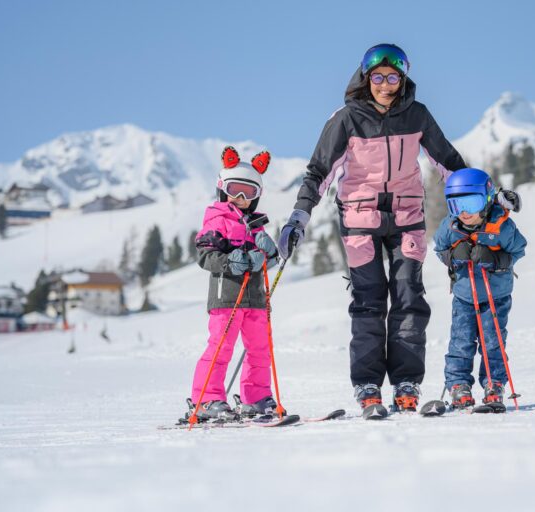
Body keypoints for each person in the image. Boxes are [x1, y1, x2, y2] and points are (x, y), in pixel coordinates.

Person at [277, 43, 470, 412]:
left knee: (409, 298)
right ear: (367, 78)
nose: (385, 84)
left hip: (407, 217)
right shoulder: (346, 118)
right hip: (359, 220)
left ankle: (406, 382)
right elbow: (319, 173)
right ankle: (367, 385)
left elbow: (449, 163)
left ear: (403, 78)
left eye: (393, 77)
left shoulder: (418, 115)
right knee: (368, 302)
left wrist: (484, 197)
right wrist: (299, 217)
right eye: (378, 77)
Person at [183, 146, 280, 422]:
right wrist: (229, 261)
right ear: (222, 189)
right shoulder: (217, 220)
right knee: (221, 347)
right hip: (226, 297)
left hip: (256, 299)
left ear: (257, 196)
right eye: (235, 189)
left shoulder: (258, 225)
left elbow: (267, 260)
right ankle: (208, 398)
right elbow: (205, 255)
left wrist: (268, 253)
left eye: (248, 192)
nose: (240, 197)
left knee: (260, 348)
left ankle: (256, 398)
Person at [433, 168, 527, 410]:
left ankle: (494, 383)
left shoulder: (502, 227)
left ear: (485, 201)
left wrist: (496, 260)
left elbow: (518, 250)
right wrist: (453, 255)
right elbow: (439, 249)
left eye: (470, 203)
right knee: (461, 341)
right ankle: (458, 385)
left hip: (496, 295)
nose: (463, 212)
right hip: (464, 295)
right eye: (456, 205)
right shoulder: (450, 226)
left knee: (492, 341)